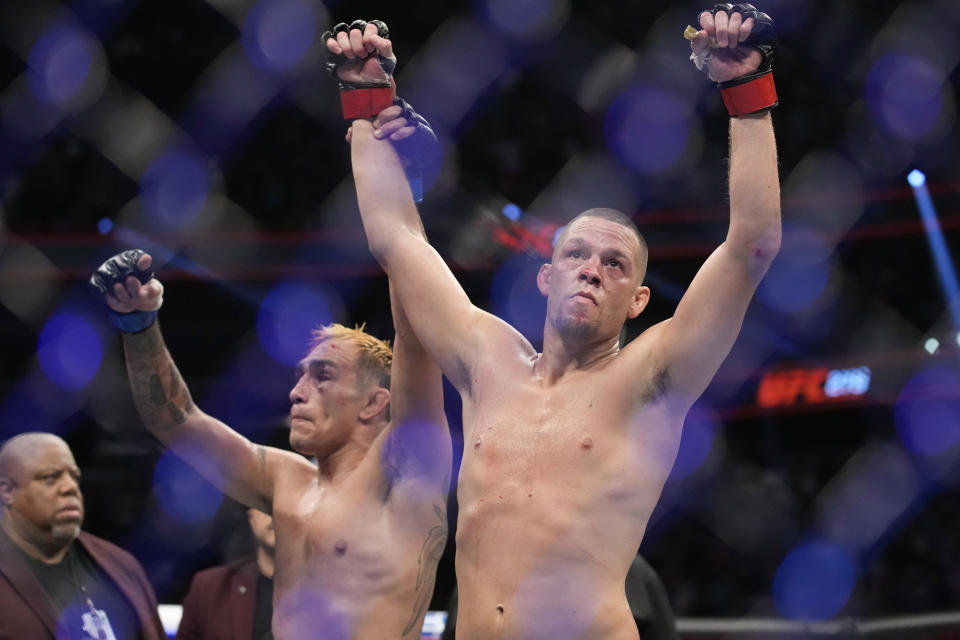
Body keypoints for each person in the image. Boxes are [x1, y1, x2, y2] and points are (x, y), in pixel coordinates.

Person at [338, 3, 781, 638]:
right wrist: (365, 99)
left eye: (615, 264)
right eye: (575, 254)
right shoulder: (486, 358)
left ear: (637, 301)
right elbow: (395, 238)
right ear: (545, 278)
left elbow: (752, 246)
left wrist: (746, 89)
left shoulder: (650, 377)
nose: (592, 269)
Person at [90, 249, 451, 639]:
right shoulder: (286, 480)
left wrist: (394, 235)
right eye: (299, 377)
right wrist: (138, 326)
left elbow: (415, 339)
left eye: (323, 376)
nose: (296, 393)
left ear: (374, 402)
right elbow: (174, 420)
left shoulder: (404, 477)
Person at [0, 431, 167, 640]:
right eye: (51, 478)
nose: (70, 487)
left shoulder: (121, 565)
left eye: (75, 477)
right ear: (7, 491)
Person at [175, 508, 276, 640]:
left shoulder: (312, 588)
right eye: (265, 502)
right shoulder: (209, 588)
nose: (274, 512)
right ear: (250, 514)